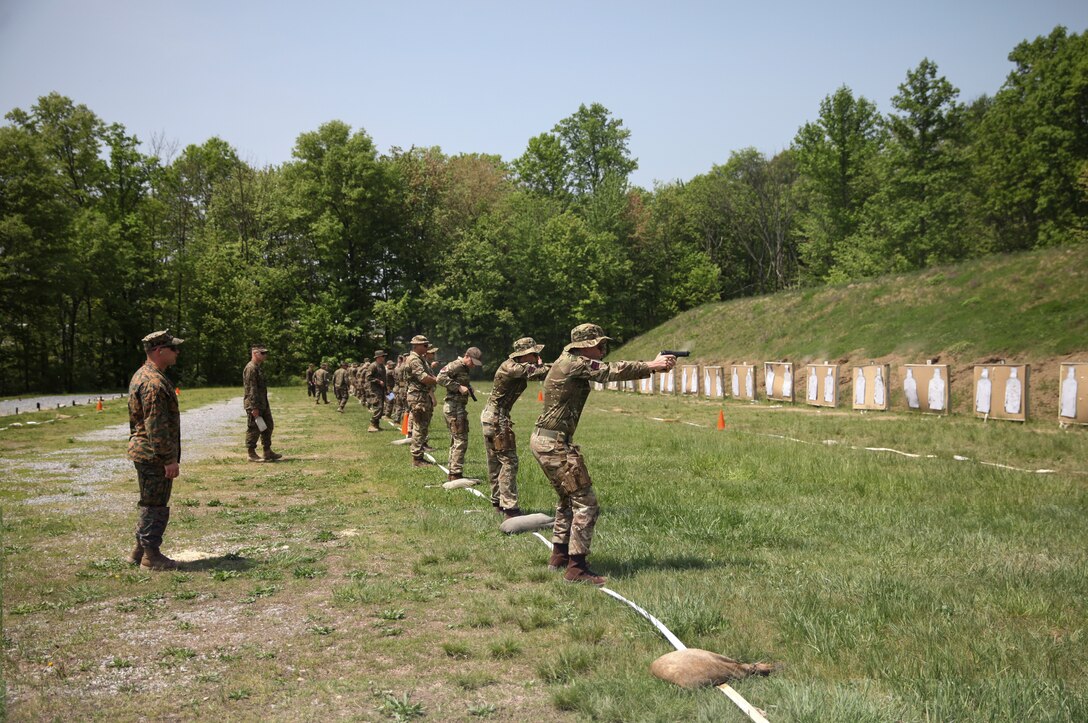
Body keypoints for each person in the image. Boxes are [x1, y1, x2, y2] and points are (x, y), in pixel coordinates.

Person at [531, 324, 675, 585]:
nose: (602, 350)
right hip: (553, 443)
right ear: (584, 346)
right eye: (599, 346)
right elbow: (611, 371)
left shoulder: (570, 361)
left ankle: (559, 556)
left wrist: (652, 366)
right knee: (586, 503)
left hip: (547, 440)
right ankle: (577, 570)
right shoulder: (575, 363)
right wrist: (652, 365)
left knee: (567, 500)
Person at [127, 330, 184, 571]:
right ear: (160, 351)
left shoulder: (145, 375)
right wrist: (168, 459)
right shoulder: (153, 382)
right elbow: (156, 425)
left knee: (150, 502)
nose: (177, 352)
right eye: (173, 348)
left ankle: (138, 552)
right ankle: (151, 557)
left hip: (147, 452)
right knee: (156, 505)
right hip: (153, 455)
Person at [482, 337, 550, 519]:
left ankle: (497, 502)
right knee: (508, 462)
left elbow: (537, 371)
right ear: (524, 355)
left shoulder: (516, 367)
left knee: (496, 461)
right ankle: (510, 508)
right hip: (497, 418)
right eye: (534, 354)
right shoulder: (511, 367)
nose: (537, 356)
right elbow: (536, 373)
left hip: (494, 417)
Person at [436, 347, 484, 480]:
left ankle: (453, 472)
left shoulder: (464, 368)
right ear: (467, 356)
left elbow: (459, 381)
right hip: (454, 407)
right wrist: (458, 387)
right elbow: (440, 378)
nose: (474, 366)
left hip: (458, 406)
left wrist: (467, 387)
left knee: (456, 439)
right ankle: (456, 474)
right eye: (473, 362)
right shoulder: (456, 365)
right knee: (461, 439)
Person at [244, 344, 282, 462]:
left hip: (262, 403)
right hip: (254, 404)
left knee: (268, 426)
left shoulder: (258, 367)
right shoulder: (251, 368)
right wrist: (254, 407)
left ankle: (267, 451)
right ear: (255, 354)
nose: (265, 355)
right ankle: (251, 453)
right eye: (263, 353)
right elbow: (251, 389)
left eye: (266, 353)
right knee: (254, 428)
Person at [405, 335, 438, 467]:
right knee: (419, 427)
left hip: (422, 396)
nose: (427, 347)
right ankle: (417, 459)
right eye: (424, 345)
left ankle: (419, 456)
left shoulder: (420, 359)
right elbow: (423, 378)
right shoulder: (414, 360)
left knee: (423, 426)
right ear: (416, 346)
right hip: (417, 396)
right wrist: (439, 379)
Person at [364, 350, 389, 432]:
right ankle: (372, 424)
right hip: (374, 390)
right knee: (378, 407)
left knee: (381, 408)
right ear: (378, 357)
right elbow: (368, 377)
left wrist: (386, 390)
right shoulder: (373, 366)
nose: (384, 358)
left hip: (381, 389)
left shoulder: (382, 366)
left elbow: (384, 379)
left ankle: (376, 425)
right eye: (383, 356)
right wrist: (378, 381)